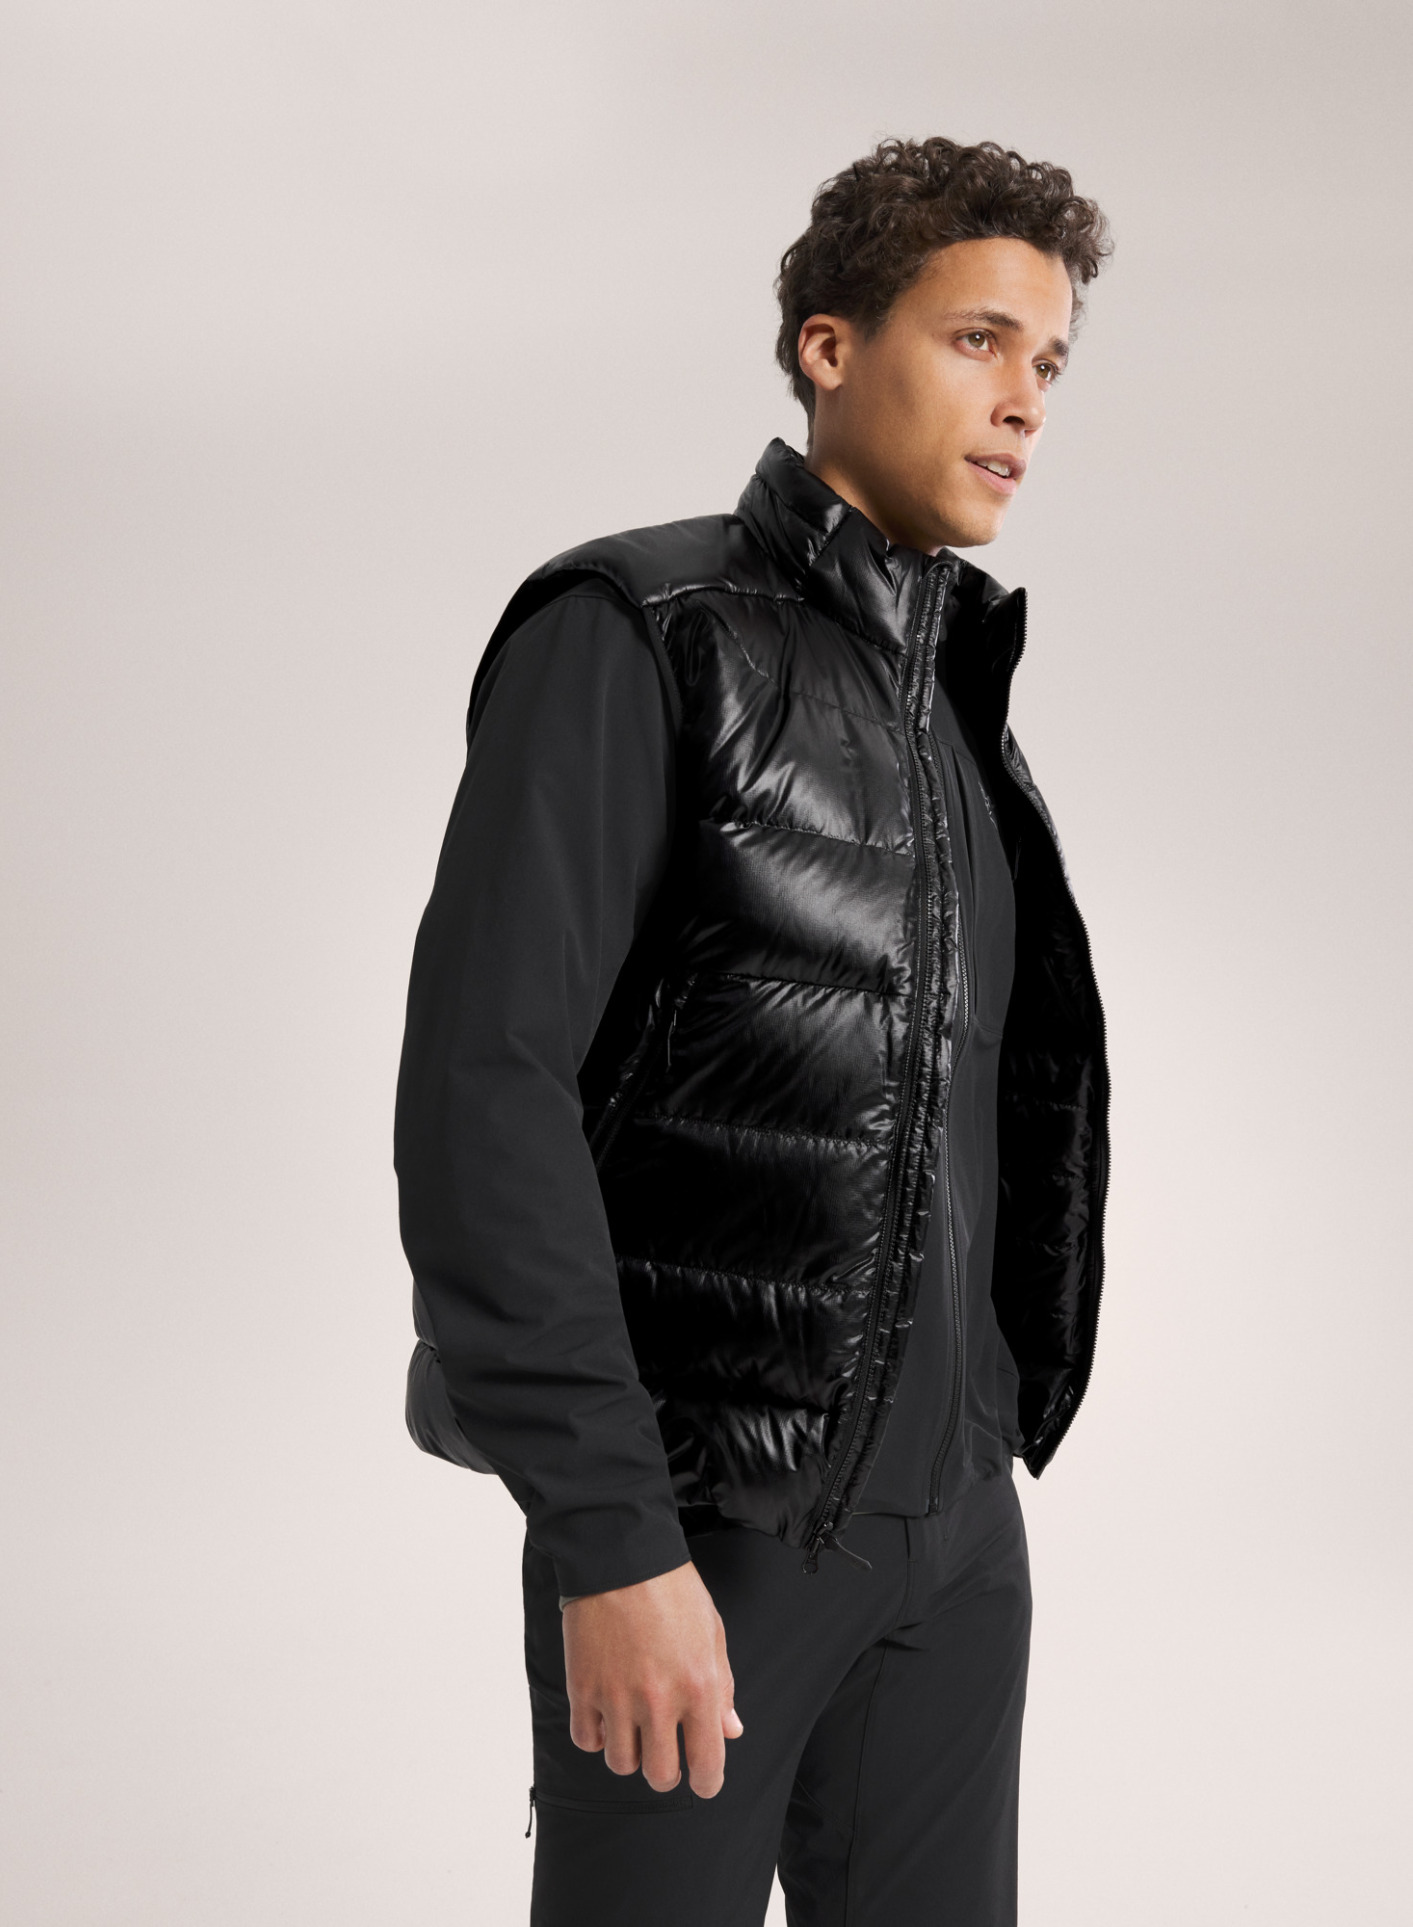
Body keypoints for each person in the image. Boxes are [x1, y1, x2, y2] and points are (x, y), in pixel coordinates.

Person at [394, 136, 1113, 1927]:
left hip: (952, 1547)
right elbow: (487, 1094)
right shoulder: (641, 632)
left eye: (1047, 360)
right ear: (827, 346)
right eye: (976, 339)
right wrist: (609, 1539)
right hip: (707, 1536)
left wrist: (983, 1456)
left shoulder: (957, 715)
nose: (1023, 399)